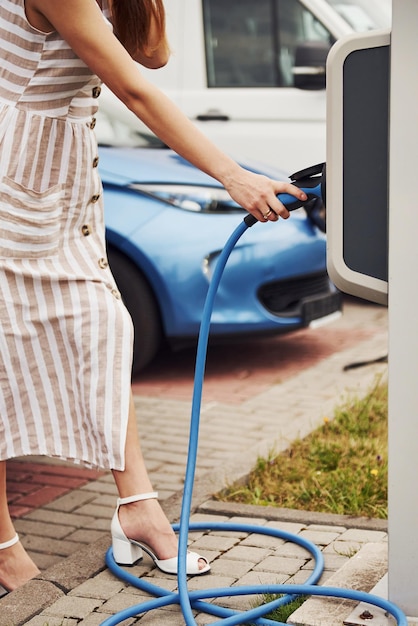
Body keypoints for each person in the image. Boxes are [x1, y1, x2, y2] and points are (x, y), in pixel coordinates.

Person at [0, 0, 308, 593]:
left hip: (57, 189)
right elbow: (135, 90)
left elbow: (154, 53)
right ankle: (3, 545)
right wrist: (232, 175)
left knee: (106, 329)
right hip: (13, 180)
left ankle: (136, 507)